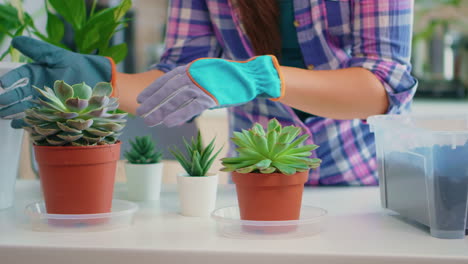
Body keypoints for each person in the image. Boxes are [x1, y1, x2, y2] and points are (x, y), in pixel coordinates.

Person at [0, 0, 417, 185]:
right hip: (256, 182)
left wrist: (261, 76)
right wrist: (101, 79)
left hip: (361, 184)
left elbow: (382, 87)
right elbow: (174, 78)